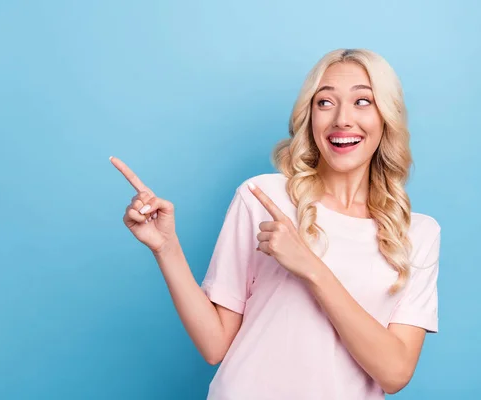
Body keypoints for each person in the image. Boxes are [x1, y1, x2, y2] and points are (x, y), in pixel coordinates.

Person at [110, 48, 441, 399]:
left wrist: (312, 269)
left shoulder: (416, 233)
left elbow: (395, 374)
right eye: (325, 102)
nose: (342, 119)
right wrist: (166, 248)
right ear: (309, 117)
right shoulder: (263, 197)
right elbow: (214, 344)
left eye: (363, 101)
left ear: (386, 116)